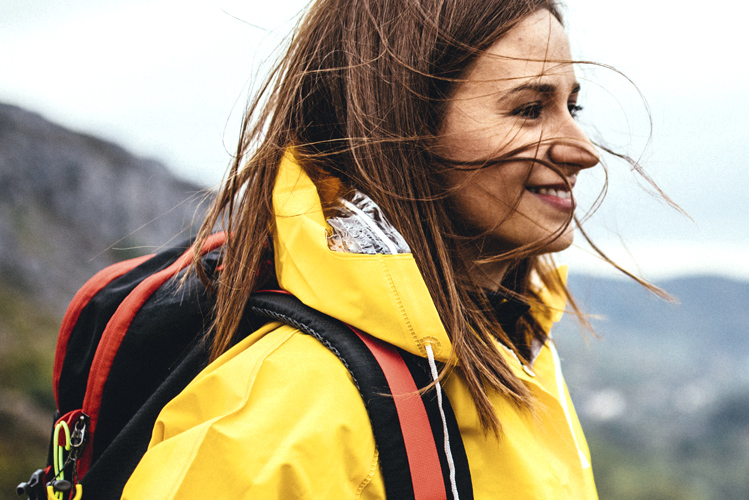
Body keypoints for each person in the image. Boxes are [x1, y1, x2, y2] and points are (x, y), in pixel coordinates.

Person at [122, 0, 606, 498]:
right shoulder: (289, 419)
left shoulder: (512, 346)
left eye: (572, 107)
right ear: (401, 128)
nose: (584, 151)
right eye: (529, 109)